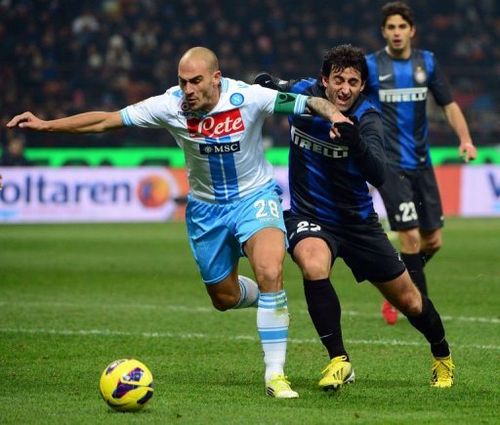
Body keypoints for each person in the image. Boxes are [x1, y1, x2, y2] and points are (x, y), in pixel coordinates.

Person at [6, 46, 349, 399]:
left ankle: (275, 375)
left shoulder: (249, 97)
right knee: (224, 297)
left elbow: (309, 103)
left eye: (196, 81)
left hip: (255, 199)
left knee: (270, 267)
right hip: (205, 210)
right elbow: (105, 120)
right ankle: (268, 298)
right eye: (183, 82)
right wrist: (46, 125)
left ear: (216, 78)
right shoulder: (169, 105)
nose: (188, 89)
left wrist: (334, 115)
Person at [255, 44, 455, 389]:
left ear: (362, 86)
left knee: (409, 299)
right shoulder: (303, 96)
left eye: (353, 81)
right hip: (310, 215)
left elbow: (378, 173)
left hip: (358, 224)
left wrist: (355, 143)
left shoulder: (368, 118)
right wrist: (265, 84)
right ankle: (338, 360)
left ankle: (442, 355)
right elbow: (274, 88)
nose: (344, 89)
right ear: (324, 80)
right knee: (313, 264)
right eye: (338, 80)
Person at [364, 1, 477, 325]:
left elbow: (449, 104)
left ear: (411, 30)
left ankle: (396, 285)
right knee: (410, 236)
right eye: (391, 27)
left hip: (422, 163)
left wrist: (465, 139)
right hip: (390, 165)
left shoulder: (426, 63)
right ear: (383, 31)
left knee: (433, 241)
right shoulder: (372, 67)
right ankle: (421, 310)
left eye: (402, 27)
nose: (397, 33)